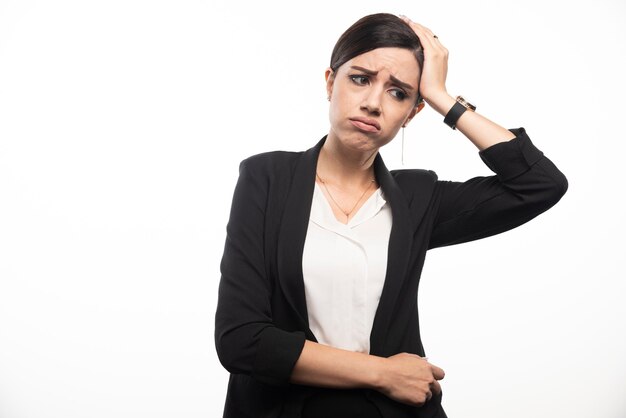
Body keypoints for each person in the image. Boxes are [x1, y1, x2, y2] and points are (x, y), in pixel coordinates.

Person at [214, 12, 567, 418]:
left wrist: (441, 97)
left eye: (398, 93)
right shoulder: (267, 178)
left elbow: (539, 184)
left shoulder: (418, 198)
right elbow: (241, 340)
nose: (373, 103)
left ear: (412, 113)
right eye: (360, 78)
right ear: (331, 82)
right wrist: (383, 373)